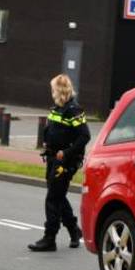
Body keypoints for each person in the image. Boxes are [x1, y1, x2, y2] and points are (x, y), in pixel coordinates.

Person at [28, 74, 90, 252]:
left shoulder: (74, 110)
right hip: (53, 157)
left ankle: (50, 238)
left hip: (66, 161)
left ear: (60, 90)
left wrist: (67, 152)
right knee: (58, 195)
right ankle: (74, 230)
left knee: (53, 198)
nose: (51, 92)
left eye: (53, 88)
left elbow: (84, 136)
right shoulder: (57, 108)